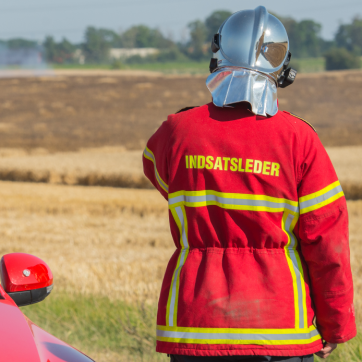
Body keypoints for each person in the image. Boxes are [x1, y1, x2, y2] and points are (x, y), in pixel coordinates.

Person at [143, 6, 356, 362]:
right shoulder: (298, 139)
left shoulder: (177, 130)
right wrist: (335, 325)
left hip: (195, 327)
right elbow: (327, 240)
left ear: (218, 54)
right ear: (282, 68)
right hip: (281, 330)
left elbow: (160, 175)